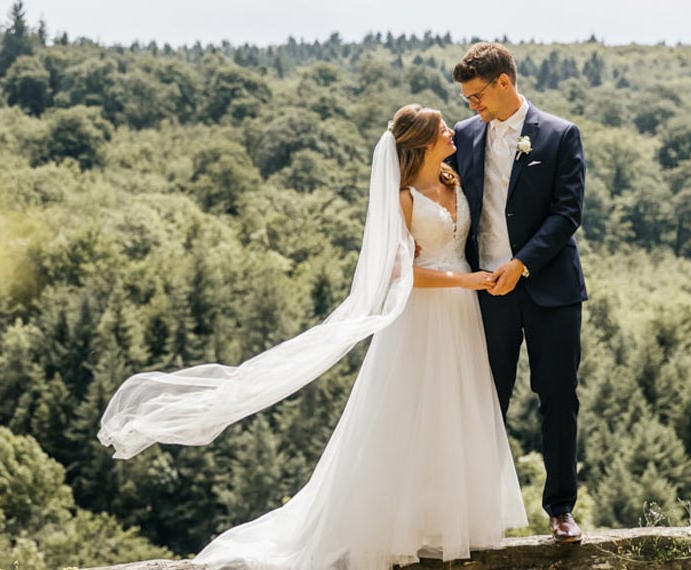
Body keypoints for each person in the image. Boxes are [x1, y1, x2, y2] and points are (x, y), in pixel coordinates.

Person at [99, 103, 529, 568]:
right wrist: (465, 280)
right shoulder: (403, 198)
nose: (452, 131)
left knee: (455, 407)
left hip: (462, 313)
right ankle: (400, 526)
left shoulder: (452, 179)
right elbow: (397, 275)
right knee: (409, 413)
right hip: (424, 315)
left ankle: (448, 521)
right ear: (422, 142)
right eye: (442, 128)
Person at [450, 41, 589, 544]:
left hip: (551, 289)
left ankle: (560, 510)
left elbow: (567, 213)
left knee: (557, 397)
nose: (471, 106)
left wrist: (522, 263)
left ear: (503, 83)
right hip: (486, 292)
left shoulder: (559, 135)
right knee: (486, 400)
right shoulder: (462, 136)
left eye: (476, 96)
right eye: (467, 99)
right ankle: (478, 512)